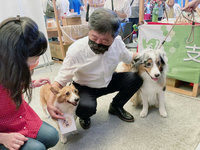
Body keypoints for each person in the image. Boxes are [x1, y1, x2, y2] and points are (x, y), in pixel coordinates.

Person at [46, 8, 143, 130]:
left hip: (108, 80)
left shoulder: (117, 43)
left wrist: (147, 56)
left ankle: (116, 106)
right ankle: (84, 116)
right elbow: (60, 81)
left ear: (115, 37)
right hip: (85, 87)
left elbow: (129, 57)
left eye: (105, 40)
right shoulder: (76, 50)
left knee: (136, 78)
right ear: (89, 30)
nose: (98, 43)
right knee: (85, 108)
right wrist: (50, 103)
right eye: (94, 37)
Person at [0, 17, 59, 150]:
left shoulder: (9, 67)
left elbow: (9, 84)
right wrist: (3, 138)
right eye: (32, 61)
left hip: (17, 114)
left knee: (52, 136)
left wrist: (30, 83)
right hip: (2, 128)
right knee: (37, 148)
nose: (36, 63)